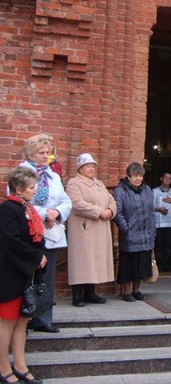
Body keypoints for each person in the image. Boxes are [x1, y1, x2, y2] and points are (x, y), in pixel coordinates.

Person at [19, 134, 72, 334]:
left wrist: (57, 213)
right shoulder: (22, 173)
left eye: (47, 153)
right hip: (28, 233)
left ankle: (43, 318)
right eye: (41, 153)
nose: (44, 156)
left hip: (50, 232)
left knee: (46, 278)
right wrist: (43, 214)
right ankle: (24, 317)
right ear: (31, 153)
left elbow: (66, 201)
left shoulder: (53, 176)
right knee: (25, 275)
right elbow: (21, 201)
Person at [0, 167, 46, 384]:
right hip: (10, 273)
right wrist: (34, 258)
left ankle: (20, 365)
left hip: (26, 273)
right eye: (31, 187)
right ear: (18, 189)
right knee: (7, 322)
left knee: (22, 322)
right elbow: (10, 242)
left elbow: (36, 236)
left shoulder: (28, 208)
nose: (35, 190)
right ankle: (3, 367)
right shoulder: (8, 209)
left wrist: (40, 254)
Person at [65, 153, 117, 307]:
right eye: (88, 166)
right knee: (82, 260)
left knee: (95, 261)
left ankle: (90, 292)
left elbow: (111, 200)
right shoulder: (74, 183)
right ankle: (77, 294)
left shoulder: (99, 184)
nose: (91, 169)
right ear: (80, 168)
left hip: (100, 227)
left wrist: (110, 210)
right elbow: (77, 203)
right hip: (84, 227)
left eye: (93, 166)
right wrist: (99, 211)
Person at [113, 162, 155, 302]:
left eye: (140, 176)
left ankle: (137, 290)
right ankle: (126, 291)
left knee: (142, 264)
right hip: (130, 234)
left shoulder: (147, 189)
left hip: (145, 234)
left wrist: (152, 231)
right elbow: (117, 212)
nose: (138, 179)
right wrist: (126, 228)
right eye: (135, 176)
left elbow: (151, 212)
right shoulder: (121, 190)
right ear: (129, 176)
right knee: (128, 265)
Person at [152, 172, 171, 273]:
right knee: (159, 244)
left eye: (169, 178)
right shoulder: (155, 191)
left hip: (170, 222)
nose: (167, 180)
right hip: (159, 222)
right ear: (161, 178)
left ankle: (167, 265)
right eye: (165, 178)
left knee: (168, 244)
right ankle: (159, 265)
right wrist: (159, 208)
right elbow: (150, 206)